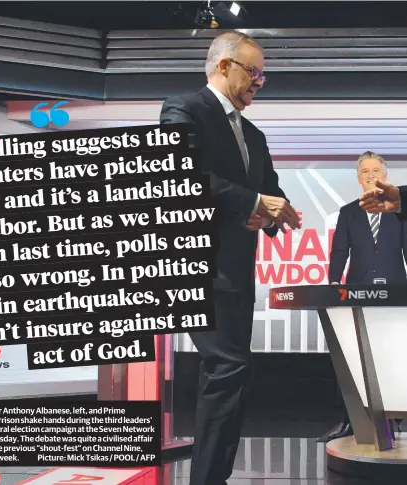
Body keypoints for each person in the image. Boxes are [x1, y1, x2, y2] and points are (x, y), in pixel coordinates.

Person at [160, 31, 301, 485]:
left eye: (264, 75)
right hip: (199, 270)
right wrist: (252, 203)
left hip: (237, 276)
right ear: (223, 67)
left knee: (233, 376)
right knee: (228, 368)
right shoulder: (185, 108)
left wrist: (278, 214)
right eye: (253, 71)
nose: (259, 82)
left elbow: (270, 191)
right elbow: (181, 174)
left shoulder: (254, 135)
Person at [326, 152, 407, 441]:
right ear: (359, 178)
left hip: (396, 292)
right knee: (353, 355)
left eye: (376, 170)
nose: (371, 175)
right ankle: (348, 420)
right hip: (356, 292)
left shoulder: (400, 209)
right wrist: (334, 283)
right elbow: (339, 251)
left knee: (393, 355)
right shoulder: (348, 212)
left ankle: (395, 420)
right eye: (365, 171)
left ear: (385, 176)